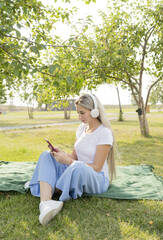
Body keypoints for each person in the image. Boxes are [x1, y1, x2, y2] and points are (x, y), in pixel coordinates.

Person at [29, 93, 116, 225]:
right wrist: (62, 154)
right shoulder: (82, 128)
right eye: (77, 113)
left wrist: (69, 161)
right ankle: (45, 204)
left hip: (97, 178)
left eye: (82, 113)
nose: (79, 117)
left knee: (78, 167)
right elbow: (75, 157)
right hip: (77, 167)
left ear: (94, 111)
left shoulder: (104, 133)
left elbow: (97, 167)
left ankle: (46, 183)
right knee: (46, 155)